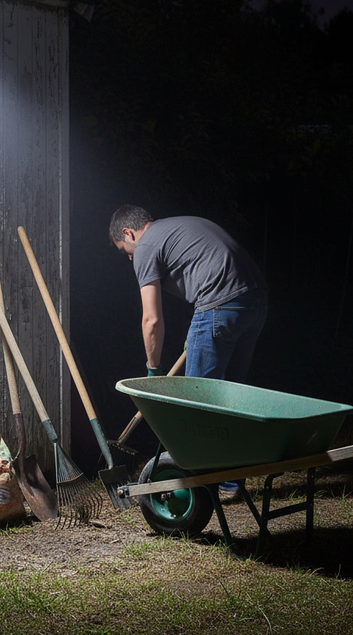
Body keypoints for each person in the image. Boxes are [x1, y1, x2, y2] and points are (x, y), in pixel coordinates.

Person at [109, 204, 268, 499]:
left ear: (128, 232)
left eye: (124, 250)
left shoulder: (145, 246)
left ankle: (196, 490)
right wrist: (199, 332)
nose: (129, 257)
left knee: (195, 406)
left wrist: (153, 370)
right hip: (255, 303)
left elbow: (151, 319)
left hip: (219, 304)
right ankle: (231, 484)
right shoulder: (177, 227)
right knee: (232, 399)